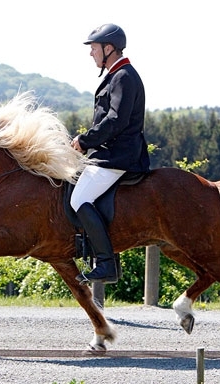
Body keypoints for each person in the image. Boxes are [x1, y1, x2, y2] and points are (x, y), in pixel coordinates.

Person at [71, 23, 150, 284]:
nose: (90, 53)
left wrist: (85, 140)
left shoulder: (124, 77)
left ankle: (106, 263)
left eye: (94, 48)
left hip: (119, 156)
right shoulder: (116, 75)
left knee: (79, 199)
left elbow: (115, 120)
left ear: (108, 48)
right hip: (108, 153)